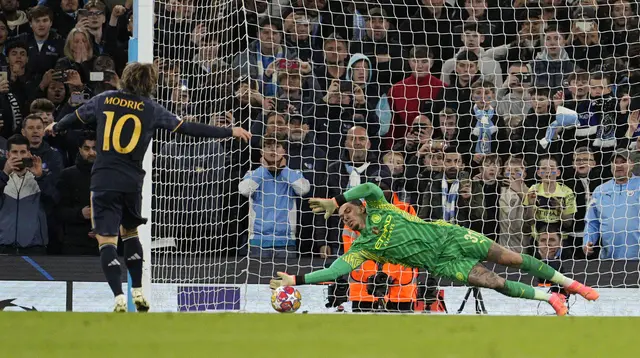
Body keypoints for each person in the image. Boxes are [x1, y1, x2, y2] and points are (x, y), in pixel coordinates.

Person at [45, 62, 252, 312]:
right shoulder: (151, 108)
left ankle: (119, 296)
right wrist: (229, 131)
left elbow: (73, 118)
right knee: (130, 233)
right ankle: (138, 290)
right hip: (132, 182)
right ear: (150, 84)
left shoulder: (105, 99)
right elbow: (188, 128)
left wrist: (55, 126)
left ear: (125, 78)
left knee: (107, 240)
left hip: (104, 179)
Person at [270, 182, 600, 316]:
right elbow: (333, 271)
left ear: (359, 208)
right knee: (495, 283)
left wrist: (334, 201)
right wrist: (295, 280)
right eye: (342, 220)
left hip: (451, 236)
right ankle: (551, 298)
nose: (347, 220)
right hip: (442, 263)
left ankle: (572, 285)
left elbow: (369, 186)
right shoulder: (364, 248)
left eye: (348, 213)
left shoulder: (380, 206)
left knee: (512, 259)